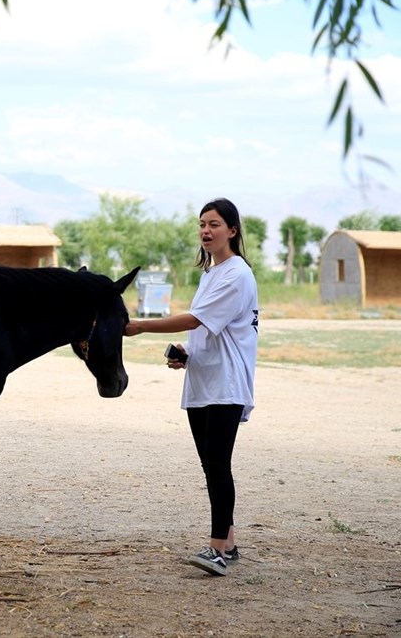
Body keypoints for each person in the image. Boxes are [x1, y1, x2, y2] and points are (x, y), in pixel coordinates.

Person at [124, 198, 258, 577]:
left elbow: (198, 318)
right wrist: (186, 352)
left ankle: (216, 551)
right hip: (204, 380)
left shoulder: (236, 274)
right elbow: (207, 329)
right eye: (202, 224)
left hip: (226, 384)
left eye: (214, 224)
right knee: (211, 465)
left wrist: (140, 326)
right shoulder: (210, 275)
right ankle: (228, 544)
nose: (206, 230)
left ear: (232, 230)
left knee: (218, 466)